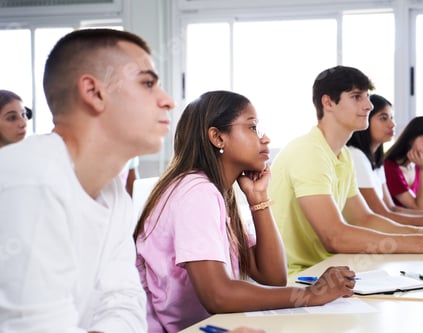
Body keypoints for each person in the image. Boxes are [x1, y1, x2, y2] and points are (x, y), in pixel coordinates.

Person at [134, 90, 356, 333]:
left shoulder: (217, 193)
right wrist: (310, 295)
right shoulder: (197, 193)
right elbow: (217, 295)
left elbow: (273, 276)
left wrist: (258, 199)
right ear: (217, 137)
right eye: (252, 128)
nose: (266, 139)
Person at [0, 28, 175, 332]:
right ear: (94, 93)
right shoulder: (29, 182)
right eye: (147, 83)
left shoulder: (113, 192)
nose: (168, 101)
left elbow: (125, 301)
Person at [269, 65, 423, 275]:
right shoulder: (309, 151)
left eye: (367, 96)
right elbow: (334, 237)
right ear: (328, 102)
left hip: (325, 269)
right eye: (356, 97)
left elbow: (365, 218)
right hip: (295, 276)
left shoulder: (343, 155)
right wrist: (421, 242)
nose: (369, 105)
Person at [346, 94, 423, 226]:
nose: (392, 124)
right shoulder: (356, 156)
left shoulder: (376, 161)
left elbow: (391, 208)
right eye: (383, 118)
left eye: (392, 118)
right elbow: (383, 214)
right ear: (365, 118)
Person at [383, 116, 423, 210]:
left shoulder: (416, 164)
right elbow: (420, 208)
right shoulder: (389, 167)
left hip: (417, 223)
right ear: (411, 138)